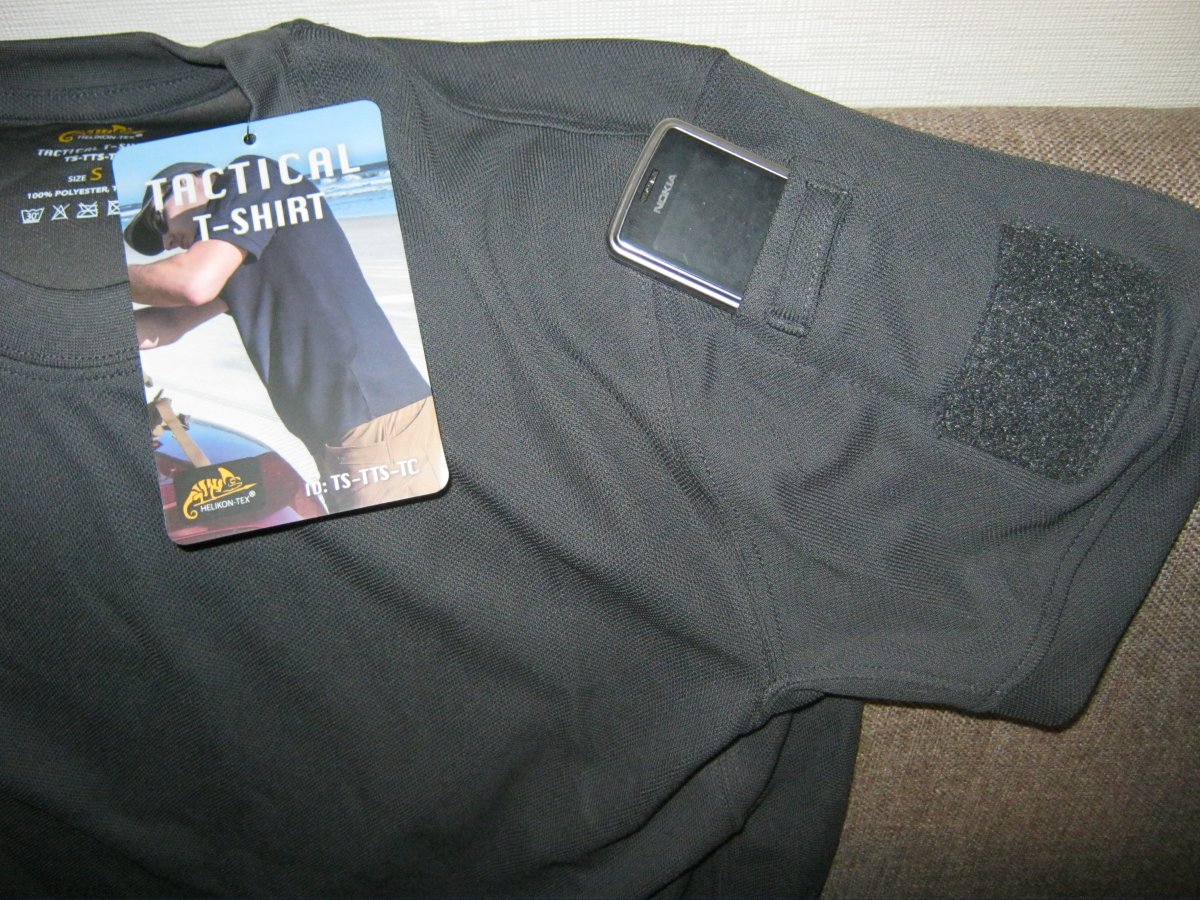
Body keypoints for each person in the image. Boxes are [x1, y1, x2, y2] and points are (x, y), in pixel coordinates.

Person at [123, 155, 448, 512]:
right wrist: (88, 332)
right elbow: (167, 325)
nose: (168, 241)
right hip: (344, 437)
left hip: (377, 426)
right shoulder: (233, 254)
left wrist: (98, 285)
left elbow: (191, 283)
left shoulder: (254, 176)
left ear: (192, 181)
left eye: (160, 221)